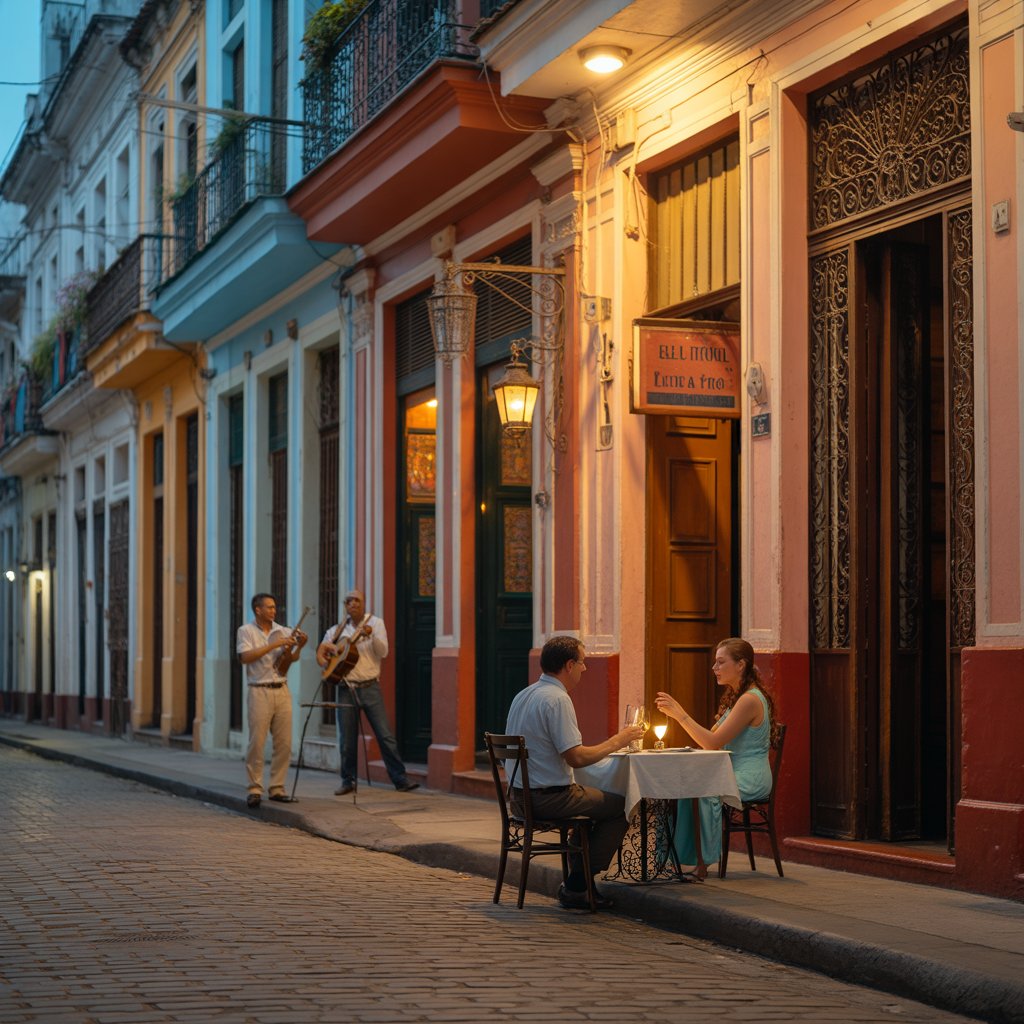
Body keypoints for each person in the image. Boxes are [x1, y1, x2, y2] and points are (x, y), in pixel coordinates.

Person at [504, 635, 646, 910]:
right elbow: (577, 757)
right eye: (582, 662)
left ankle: (580, 885)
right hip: (549, 798)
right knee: (622, 806)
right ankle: (577, 883)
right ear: (569, 665)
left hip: (520, 798)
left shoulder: (524, 694)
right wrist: (620, 739)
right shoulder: (557, 699)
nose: (585, 668)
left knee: (594, 807)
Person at [654, 636, 778, 868]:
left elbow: (711, 743)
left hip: (750, 778)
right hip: (730, 773)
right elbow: (710, 738)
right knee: (682, 785)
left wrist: (680, 714)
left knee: (701, 789)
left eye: (721, 662)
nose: (714, 668)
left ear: (740, 665)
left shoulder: (750, 700)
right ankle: (678, 858)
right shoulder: (738, 698)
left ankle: (703, 861)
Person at [315, 589, 419, 795]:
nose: (353, 604)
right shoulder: (336, 631)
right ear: (345, 606)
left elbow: (384, 652)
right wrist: (329, 655)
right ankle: (348, 781)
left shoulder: (376, 624)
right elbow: (324, 657)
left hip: (370, 686)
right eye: (348, 601)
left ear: (363, 604)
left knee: (384, 735)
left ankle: (400, 779)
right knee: (347, 739)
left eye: (357, 600)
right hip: (346, 688)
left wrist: (370, 637)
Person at [237, 593, 307, 808]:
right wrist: (272, 645)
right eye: (269, 607)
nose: (273, 611)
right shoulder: (245, 631)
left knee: (284, 743)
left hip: (281, 689)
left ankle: (277, 787)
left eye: (274, 607)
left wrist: (299, 645)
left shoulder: (283, 630)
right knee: (257, 743)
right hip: (259, 690)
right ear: (258, 610)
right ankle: (255, 788)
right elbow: (245, 657)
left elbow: (290, 658)